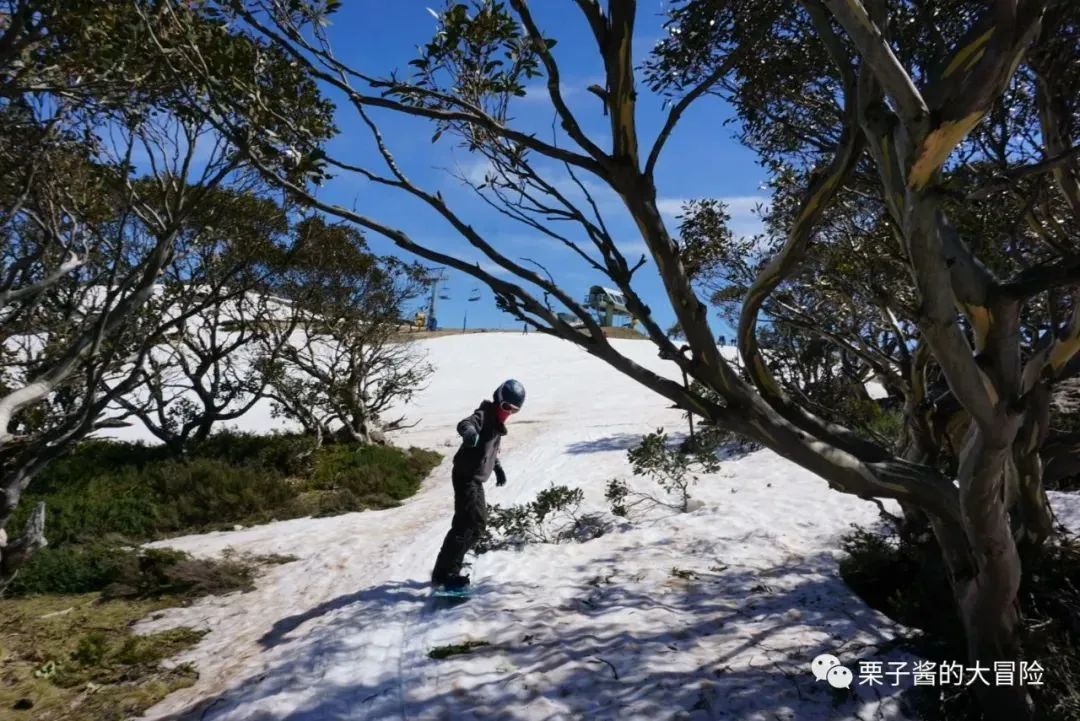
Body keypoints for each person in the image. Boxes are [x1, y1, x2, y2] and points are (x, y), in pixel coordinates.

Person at [431, 379, 526, 589]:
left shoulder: (497, 425)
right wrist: (469, 432)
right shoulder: (484, 415)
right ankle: (446, 573)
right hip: (466, 476)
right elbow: (466, 423)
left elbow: (489, 451)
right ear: (498, 400)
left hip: (475, 478)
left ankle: (447, 565)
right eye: (506, 406)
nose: (508, 412)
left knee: (476, 525)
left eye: (514, 410)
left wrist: (497, 467)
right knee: (467, 524)